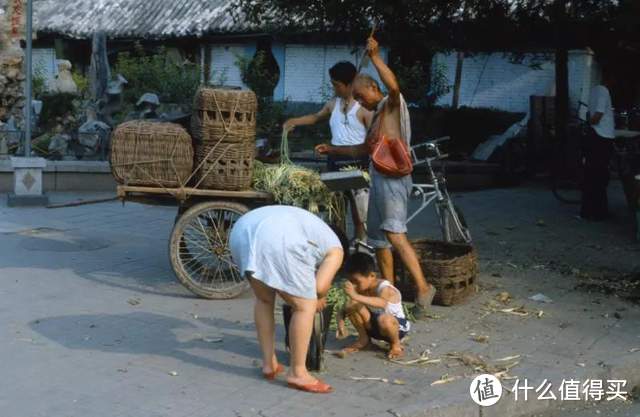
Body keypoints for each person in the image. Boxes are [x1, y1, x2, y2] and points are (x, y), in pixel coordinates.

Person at [315, 36, 436, 318]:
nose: (359, 101)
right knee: (380, 242)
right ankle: (390, 296)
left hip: (394, 180)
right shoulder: (373, 117)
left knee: (395, 234)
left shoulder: (392, 105)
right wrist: (332, 148)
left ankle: (423, 288)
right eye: (355, 99)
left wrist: (376, 58)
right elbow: (362, 149)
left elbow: (394, 86)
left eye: (361, 96)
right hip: (378, 178)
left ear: (373, 87)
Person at [229, 205, 348, 394]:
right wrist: (320, 297)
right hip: (277, 240)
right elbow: (320, 287)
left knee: (264, 299)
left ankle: (269, 364)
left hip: (242, 231)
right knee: (305, 306)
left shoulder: (311, 226)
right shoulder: (336, 248)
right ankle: (298, 372)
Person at [283, 61, 373, 241]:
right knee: (336, 213)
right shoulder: (333, 104)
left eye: (336, 84)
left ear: (348, 84)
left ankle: (361, 250)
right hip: (334, 166)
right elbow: (315, 117)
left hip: (358, 166)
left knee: (359, 217)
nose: (334, 87)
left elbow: (372, 142)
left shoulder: (364, 108)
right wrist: (293, 121)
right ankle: (340, 250)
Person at [341, 253, 410, 359]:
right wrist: (340, 323)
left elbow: (382, 303)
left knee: (385, 319)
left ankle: (396, 345)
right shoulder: (361, 288)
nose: (354, 285)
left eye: (356, 282)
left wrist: (355, 295)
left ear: (372, 276)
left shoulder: (385, 288)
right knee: (352, 304)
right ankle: (364, 340)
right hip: (374, 326)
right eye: (351, 281)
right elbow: (345, 308)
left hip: (395, 327)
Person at [582, 72, 616, 221]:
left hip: (594, 136)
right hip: (601, 137)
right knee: (600, 176)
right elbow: (597, 116)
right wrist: (593, 124)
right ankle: (599, 212)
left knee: (591, 175)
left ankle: (588, 210)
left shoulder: (594, 90)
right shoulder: (603, 91)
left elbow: (589, 114)